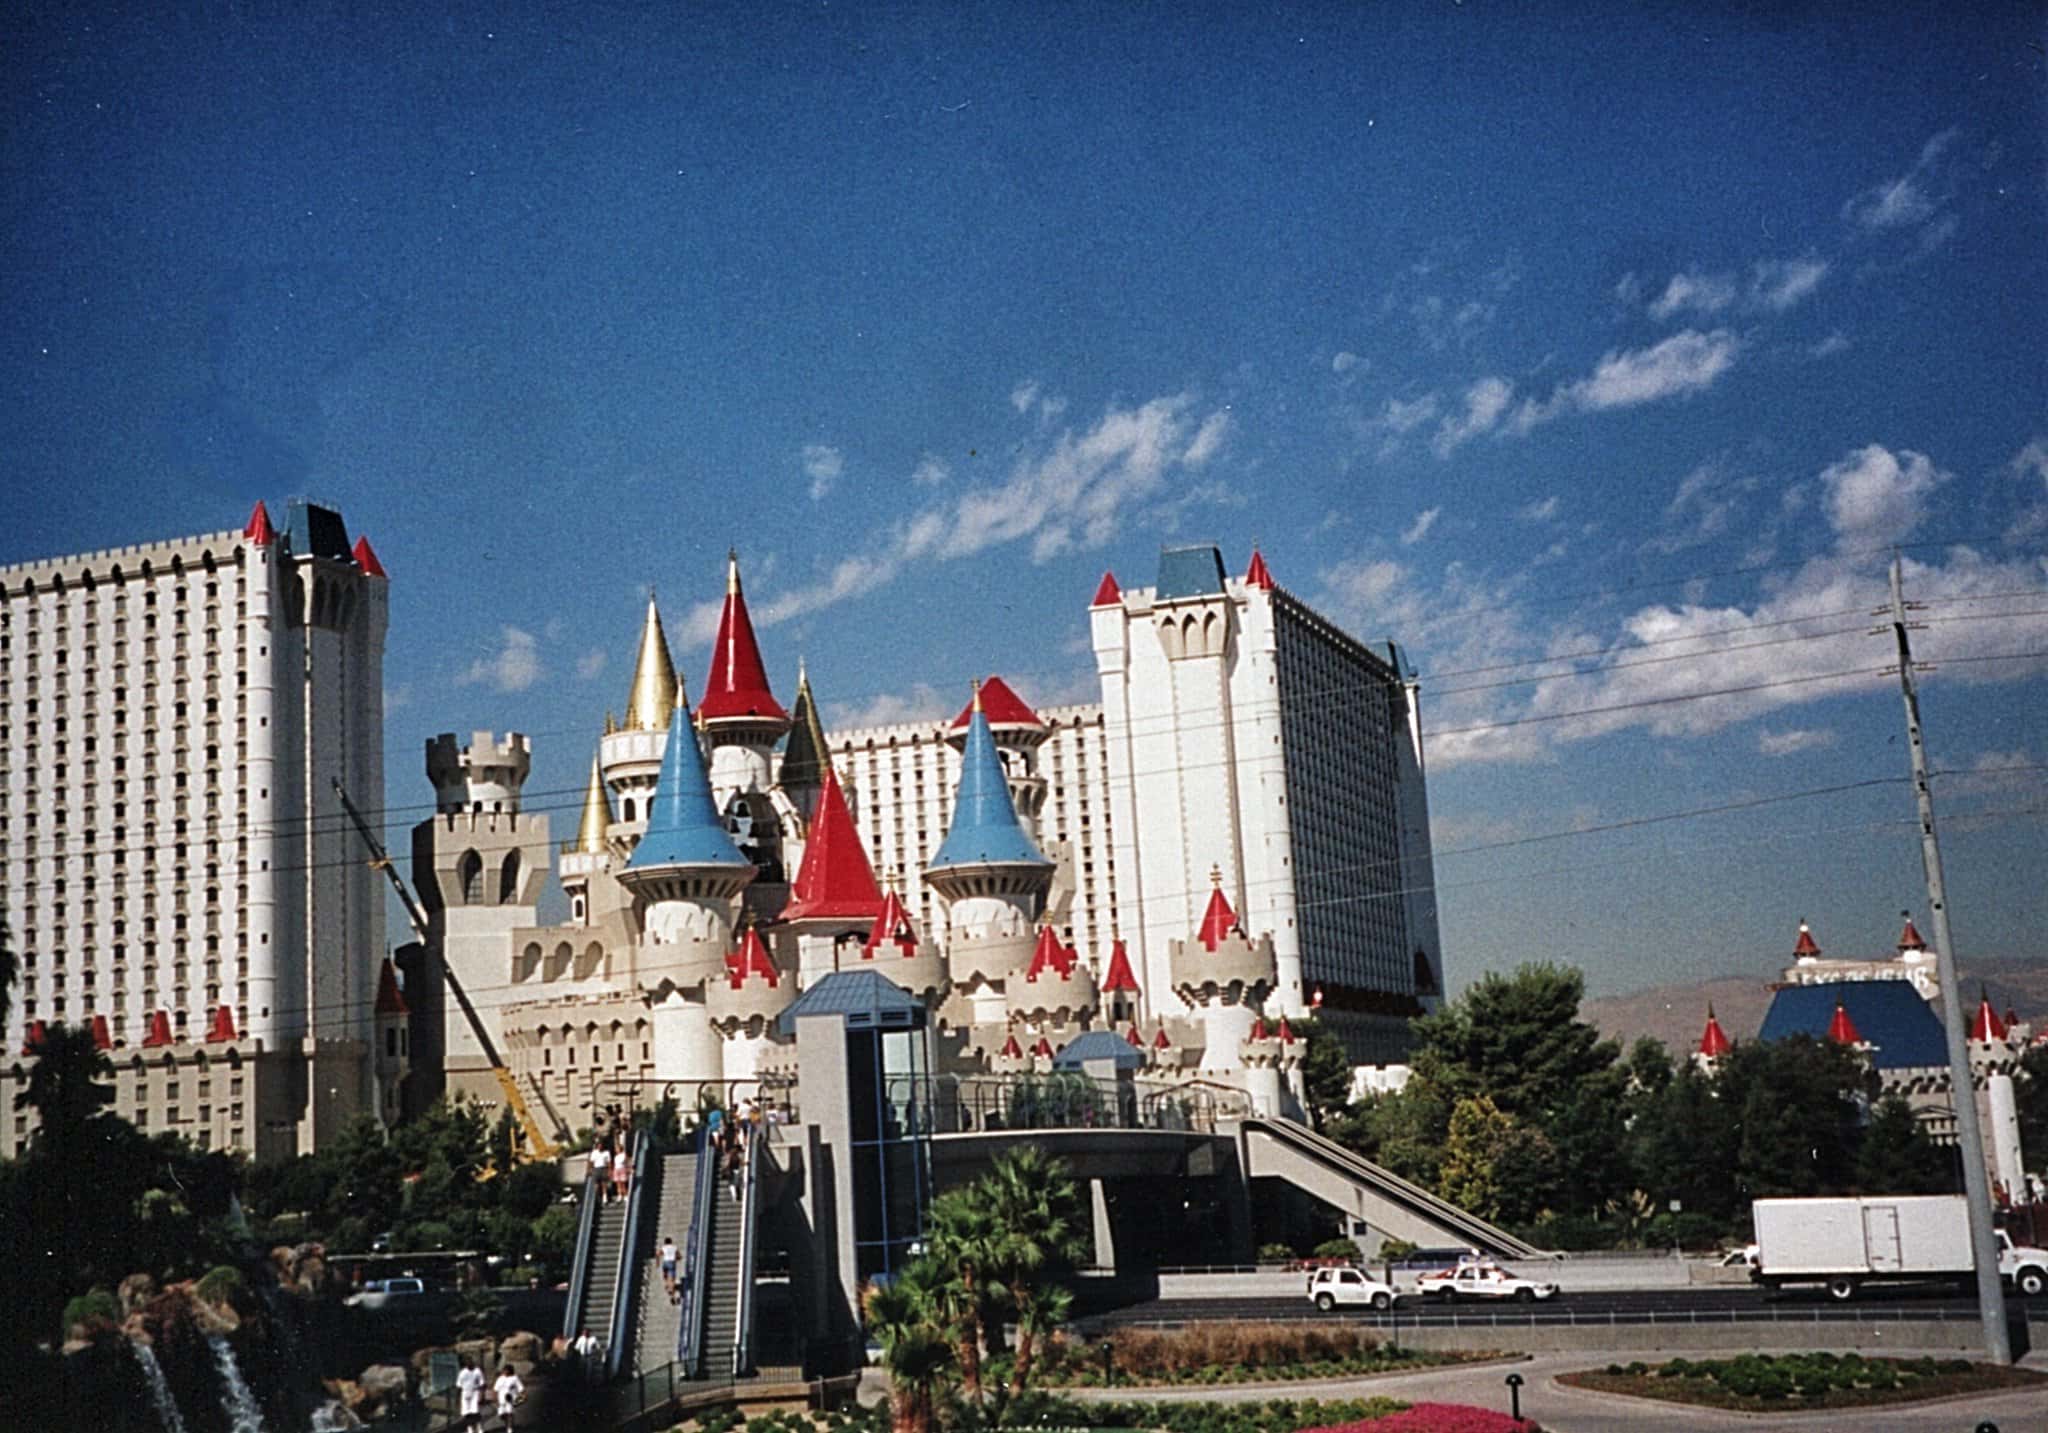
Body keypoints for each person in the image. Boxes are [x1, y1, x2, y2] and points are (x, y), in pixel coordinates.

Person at [455, 1356, 485, 1431]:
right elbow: (459, 1386)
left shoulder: (477, 1371)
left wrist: (481, 1395)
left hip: (475, 1393)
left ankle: (479, 1427)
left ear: (472, 1362)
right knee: (467, 1413)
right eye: (467, 1362)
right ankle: (470, 1429)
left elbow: (482, 1384)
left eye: (470, 1362)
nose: (469, 1363)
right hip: (465, 1394)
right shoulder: (462, 1373)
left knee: (475, 1412)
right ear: (465, 1364)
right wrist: (457, 1398)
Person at [659, 1234, 680, 1298]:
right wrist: (677, 1258)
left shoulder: (664, 1247)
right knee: (672, 1278)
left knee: (665, 1275)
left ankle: (667, 1285)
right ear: (671, 1242)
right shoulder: (674, 1247)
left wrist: (657, 1262)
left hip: (665, 1263)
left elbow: (658, 1253)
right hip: (672, 1262)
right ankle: (671, 1289)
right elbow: (679, 1256)